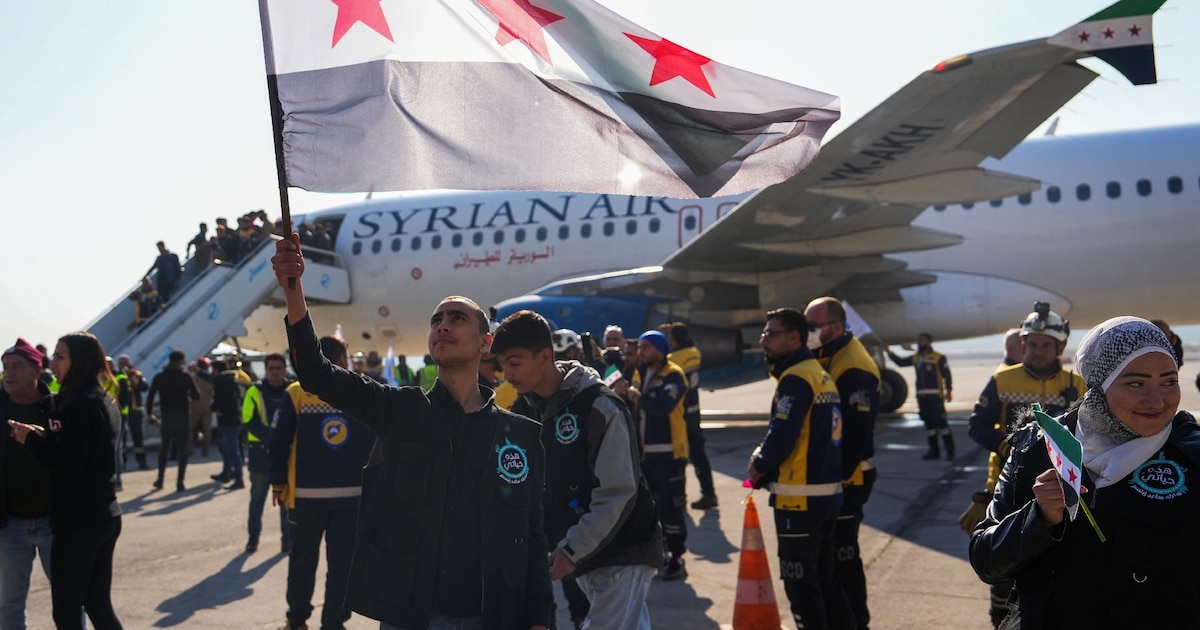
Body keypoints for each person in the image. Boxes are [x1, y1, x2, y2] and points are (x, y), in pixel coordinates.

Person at [270, 235, 553, 629]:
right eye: (437, 319)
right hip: (409, 615)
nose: (443, 325)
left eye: (457, 318)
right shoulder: (400, 410)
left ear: (486, 342)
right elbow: (318, 373)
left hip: (488, 616)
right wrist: (294, 290)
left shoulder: (519, 436)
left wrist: (540, 619)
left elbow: (534, 537)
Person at [970, 316, 1200, 627]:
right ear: (1100, 385)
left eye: (1169, 382)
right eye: (1135, 383)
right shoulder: (1038, 449)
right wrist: (1038, 518)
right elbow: (987, 561)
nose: (1157, 400)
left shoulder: (1191, 457)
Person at [493, 311, 661, 630]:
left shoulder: (599, 406)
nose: (506, 373)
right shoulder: (523, 409)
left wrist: (572, 548)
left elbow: (618, 492)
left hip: (622, 548)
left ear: (545, 356)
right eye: (502, 364)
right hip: (582, 551)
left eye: (514, 363)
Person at [964, 304, 1087, 627]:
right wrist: (1006, 446)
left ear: (1060, 347)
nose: (1038, 350)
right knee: (1003, 583)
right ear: (1022, 344)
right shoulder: (1002, 380)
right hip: (1009, 490)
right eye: (1032, 344)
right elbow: (977, 425)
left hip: (1062, 496)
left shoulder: (1079, 384)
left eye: (1046, 344)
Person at [8, 332, 124, 630]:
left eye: (60, 357)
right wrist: (43, 435)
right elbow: (81, 449)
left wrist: (31, 440)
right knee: (97, 604)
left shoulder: (79, 404)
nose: (53, 363)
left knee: (67, 610)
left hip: (78, 523)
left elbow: (68, 466)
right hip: (103, 514)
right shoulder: (103, 399)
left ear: (80, 361)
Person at [748, 308, 854, 629]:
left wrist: (758, 465)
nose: (763, 341)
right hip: (826, 497)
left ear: (793, 338)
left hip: (800, 501)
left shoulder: (796, 379)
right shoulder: (818, 373)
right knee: (826, 581)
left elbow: (782, 435)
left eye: (770, 334)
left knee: (802, 587)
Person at [269, 337, 373, 630]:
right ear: (341, 359)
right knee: (342, 568)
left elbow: (277, 442)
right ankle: (333, 624)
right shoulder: (361, 391)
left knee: (302, 562)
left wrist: (278, 484)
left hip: (305, 499)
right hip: (353, 498)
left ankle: (297, 620)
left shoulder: (296, 393)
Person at [804, 297, 880, 630]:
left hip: (850, 478)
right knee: (828, 558)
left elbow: (856, 436)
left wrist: (832, 481)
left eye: (812, 326)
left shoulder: (854, 367)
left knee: (843, 555)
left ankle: (857, 622)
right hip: (831, 478)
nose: (807, 333)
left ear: (834, 327)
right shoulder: (825, 354)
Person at [0, 339, 56, 630]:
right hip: (9, 526)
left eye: (16, 366)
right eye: (5, 367)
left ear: (37, 369)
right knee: (9, 604)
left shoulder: (58, 409)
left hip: (54, 522)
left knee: (69, 600)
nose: (8, 373)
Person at [631, 330, 690, 581]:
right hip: (644, 455)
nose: (640, 352)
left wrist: (637, 396)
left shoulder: (674, 374)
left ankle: (677, 558)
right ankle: (659, 554)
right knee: (649, 510)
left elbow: (662, 406)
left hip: (669, 455)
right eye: (639, 347)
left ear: (660, 349)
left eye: (646, 347)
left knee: (672, 510)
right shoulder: (639, 373)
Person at [243, 352, 294, 555]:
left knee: (286, 501)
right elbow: (248, 419)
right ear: (266, 370)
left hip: (287, 454)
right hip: (261, 453)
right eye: (271, 368)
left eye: (278, 368)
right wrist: (274, 436)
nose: (275, 372)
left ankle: (287, 540)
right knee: (257, 499)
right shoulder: (254, 391)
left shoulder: (293, 390)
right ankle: (253, 537)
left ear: (285, 369)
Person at [662, 323, 717, 511]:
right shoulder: (695, 353)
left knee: (680, 457)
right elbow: (688, 342)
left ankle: (680, 498)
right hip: (694, 411)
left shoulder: (673, 359)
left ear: (672, 340)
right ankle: (709, 493)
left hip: (680, 415)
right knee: (700, 455)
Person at [888, 333, 955, 460]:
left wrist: (949, 390)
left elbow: (946, 374)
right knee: (929, 426)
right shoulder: (916, 358)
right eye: (918, 340)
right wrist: (889, 352)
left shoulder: (938, 357)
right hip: (922, 398)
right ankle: (934, 451)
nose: (919, 343)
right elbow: (901, 362)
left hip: (936, 397)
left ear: (929, 342)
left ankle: (950, 451)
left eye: (922, 340)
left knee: (942, 425)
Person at [146, 350, 200, 492]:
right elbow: (196, 396)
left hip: (167, 417)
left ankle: (160, 479)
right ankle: (180, 482)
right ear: (181, 361)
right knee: (182, 450)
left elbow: (150, 397)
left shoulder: (159, 377)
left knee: (164, 448)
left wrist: (149, 414)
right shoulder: (185, 376)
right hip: (182, 416)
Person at [211, 360, 245, 490]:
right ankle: (226, 473)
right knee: (227, 448)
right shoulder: (232, 380)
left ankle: (238, 478)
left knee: (232, 450)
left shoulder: (221, 382)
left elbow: (220, 399)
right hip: (236, 418)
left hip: (227, 420)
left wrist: (214, 408)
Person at [116, 355, 150, 470]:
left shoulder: (137, 374)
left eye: (126, 362)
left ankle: (142, 461)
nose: (124, 365)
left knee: (138, 438)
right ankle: (122, 462)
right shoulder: (116, 376)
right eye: (121, 363)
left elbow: (145, 387)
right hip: (121, 412)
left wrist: (134, 380)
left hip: (135, 411)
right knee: (122, 439)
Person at [190, 357, 214, 458]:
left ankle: (189, 449)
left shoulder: (193, 378)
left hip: (195, 405)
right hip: (207, 405)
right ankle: (206, 451)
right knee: (207, 430)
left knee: (190, 429)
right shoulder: (209, 379)